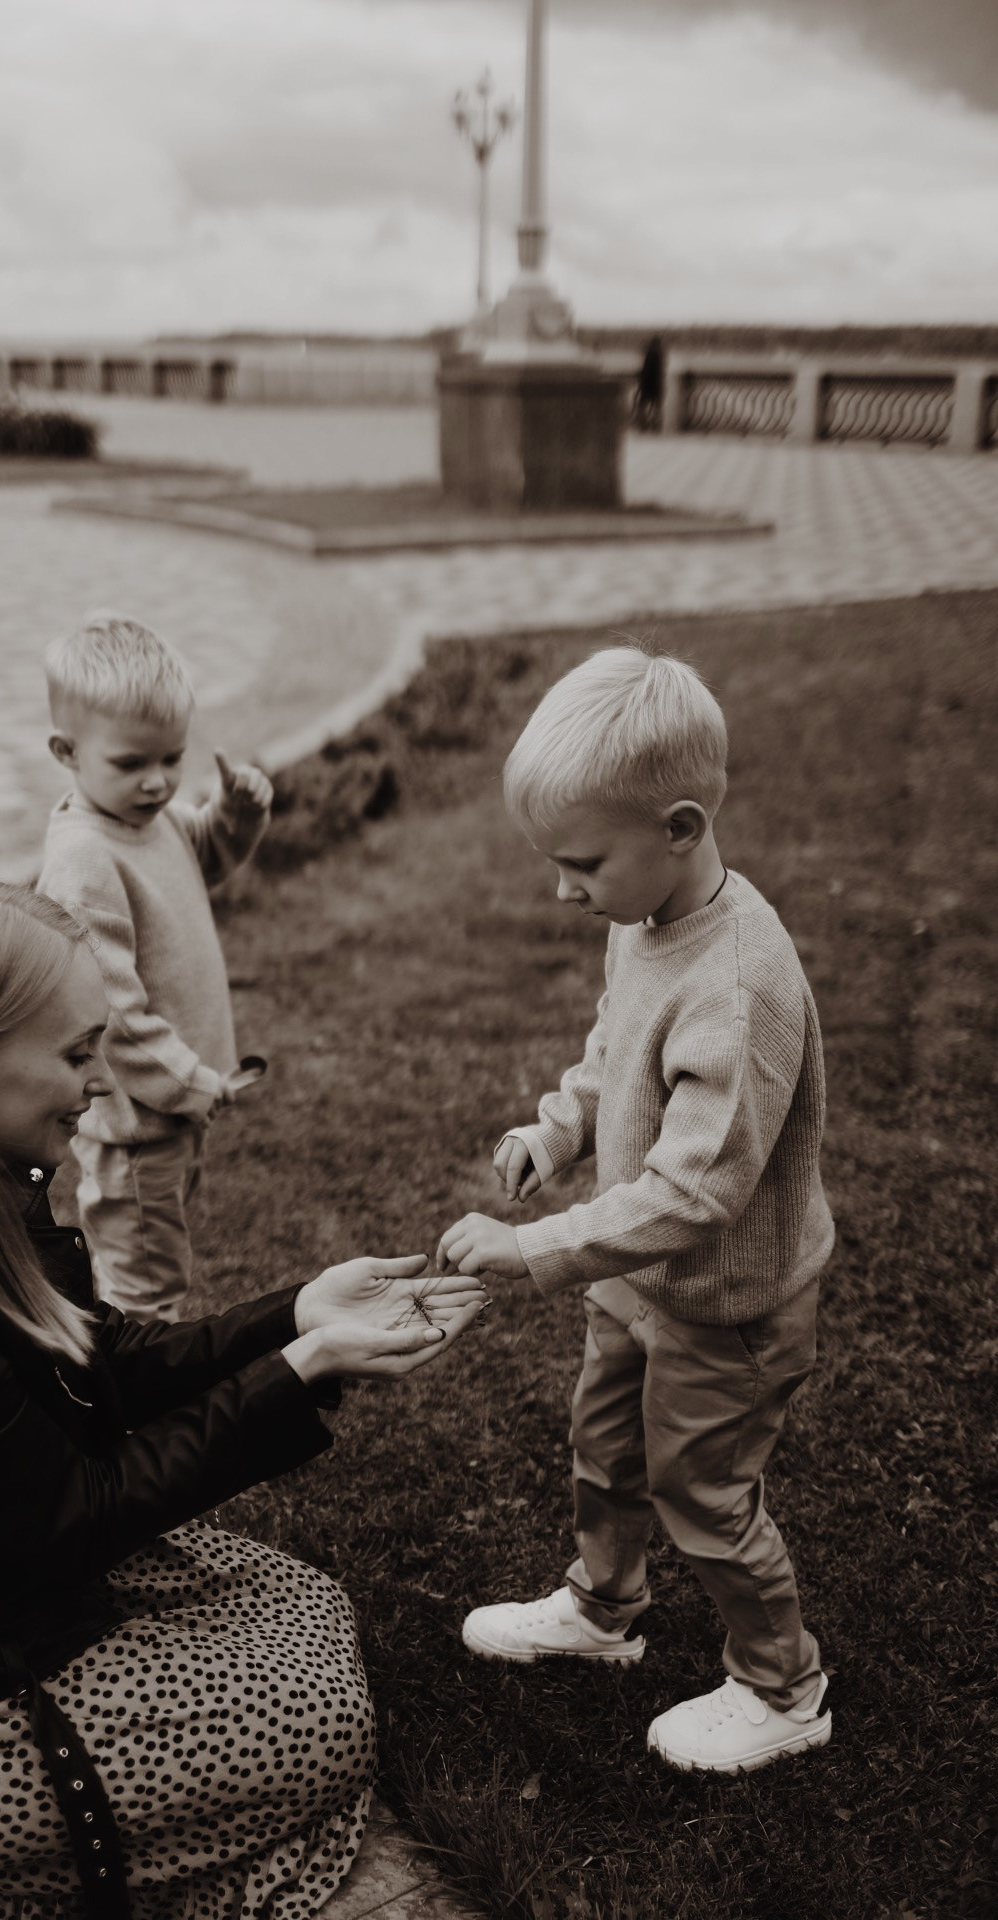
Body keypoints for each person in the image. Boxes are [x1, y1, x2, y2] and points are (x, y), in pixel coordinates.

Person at [0, 875, 485, 1919]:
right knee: (325, 1719)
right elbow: (74, 1519)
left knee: (301, 1607)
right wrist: (301, 1372)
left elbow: (95, 1360)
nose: (99, 1083)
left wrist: (295, 1314)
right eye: (76, 1054)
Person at [436, 648, 835, 1775]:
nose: (562, 889)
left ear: (676, 825)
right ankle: (600, 1610)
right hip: (631, 1278)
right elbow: (613, 1046)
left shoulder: (741, 982)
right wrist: (553, 1132)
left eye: (577, 862)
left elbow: (700, 1190)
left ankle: (783, 1687)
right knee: (605, 1448)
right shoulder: (645, 917)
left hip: (721, 1301)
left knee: (701, 1491)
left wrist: (534, 1248)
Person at [37, 610, 271, 1324]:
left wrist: (232, 815)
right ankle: (132, 1406)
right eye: (132, 763)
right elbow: (107, 1013)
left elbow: (202, 853)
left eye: (172, 758)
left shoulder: (151, 819)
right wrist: (190, 1082)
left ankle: (137, 1374)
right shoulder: (84, 859)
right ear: (67, 751)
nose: (158, 782)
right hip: (139, 1119)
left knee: (157, 1250)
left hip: (172, 1108)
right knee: (142, 1280)